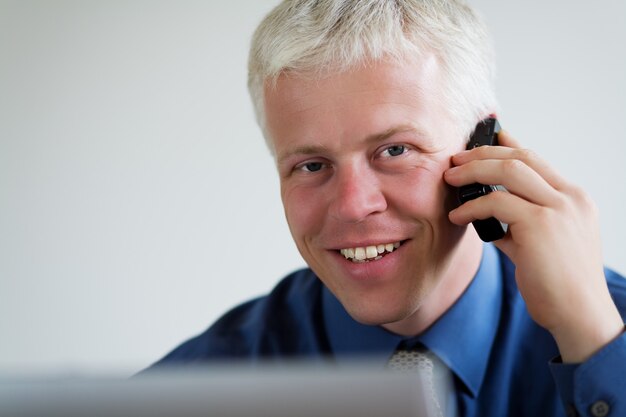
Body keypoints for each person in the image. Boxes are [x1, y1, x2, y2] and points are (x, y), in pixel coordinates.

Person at [148, 1, 626, 415]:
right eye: (312, 165)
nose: (354, 206)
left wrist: (592, 341)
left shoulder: (604, 329)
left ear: (485, 149)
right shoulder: (191, 390)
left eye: (395, 151)